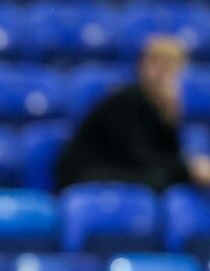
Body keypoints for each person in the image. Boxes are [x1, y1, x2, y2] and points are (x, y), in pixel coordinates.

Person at [56, 35, 210, 192]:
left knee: (172, 180)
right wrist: (189, 169)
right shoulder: (126, 100)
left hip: (124, 169)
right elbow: (141, 157)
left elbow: (170, 152)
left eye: (172, 66)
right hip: (89, 172)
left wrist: (170, 113)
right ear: (143, 65)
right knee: (161, 179)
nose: (163, 73)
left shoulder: (167, 106)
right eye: (158, 63)